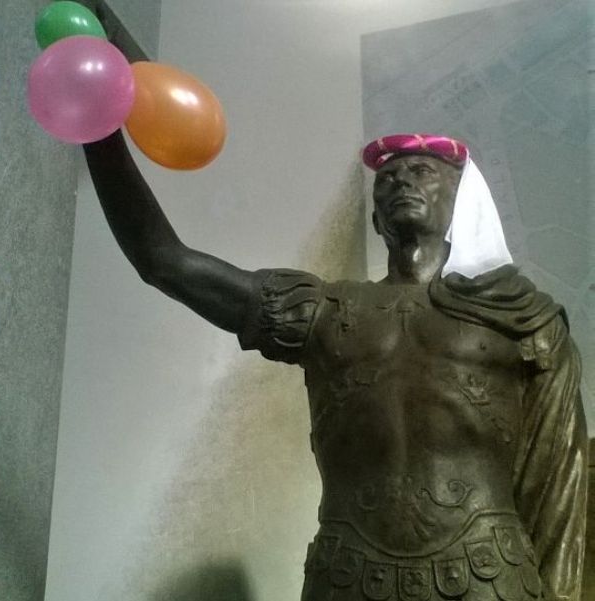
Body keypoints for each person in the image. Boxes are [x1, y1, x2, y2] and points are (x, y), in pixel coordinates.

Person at [83, 132, 587, 601]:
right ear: (376, 221)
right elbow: (163, 261)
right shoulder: (325, 310)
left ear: (462, 202)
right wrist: (99, 130)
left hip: (489, 574)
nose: (401, 182)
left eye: (421, 172)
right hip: (349, 574)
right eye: (386, 180)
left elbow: (559, 480)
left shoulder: (517, 316)